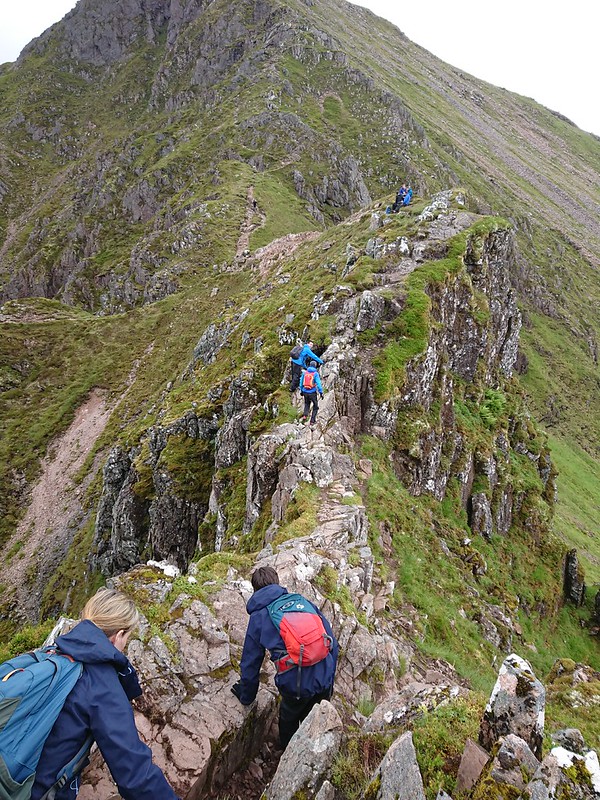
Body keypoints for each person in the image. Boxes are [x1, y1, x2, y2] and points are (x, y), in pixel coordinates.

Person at [32, 588, 180, 800]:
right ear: (119, 635)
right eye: (127, 636)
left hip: (17, 773)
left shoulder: (54, 652)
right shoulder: (102, 684)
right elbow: (135, 776)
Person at [231, 567, 338, 749]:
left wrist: (246, 696)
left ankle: (288, 756)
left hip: (297, 684)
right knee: (317, 721)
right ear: (277, 582)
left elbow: (251, 662)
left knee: (289, 722)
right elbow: (331, 639)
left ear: (255, 589)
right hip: (324, 674)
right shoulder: (300, 601)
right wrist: (329, 674)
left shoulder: (259, 617)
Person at [299, 360, 324, 427]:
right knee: (315, 406)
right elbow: (318, 384)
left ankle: (305, 415)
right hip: (312, 392)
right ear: (315, 366)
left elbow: (301, 382)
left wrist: (301, 390)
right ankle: (312, 421)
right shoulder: (315, 374)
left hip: (305, 391)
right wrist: (321, 392)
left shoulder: (305, 373)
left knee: (307, 403)